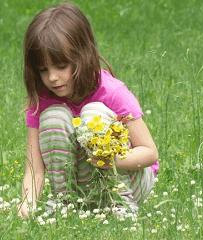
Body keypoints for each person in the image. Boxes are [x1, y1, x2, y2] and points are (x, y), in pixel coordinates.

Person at [18, 3, 159, 218]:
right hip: (84, 186)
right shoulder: (43, 99)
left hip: (130, 179)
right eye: (43, 70)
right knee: (54, 117)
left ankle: (119, 205)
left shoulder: (111, 92)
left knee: (93, 113)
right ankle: (66, 203)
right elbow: (35, 167)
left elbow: (149, 153)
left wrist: (109, 158)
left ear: (82, 55)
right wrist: (27, 205)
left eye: (61, 66)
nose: (52, 77)